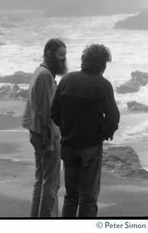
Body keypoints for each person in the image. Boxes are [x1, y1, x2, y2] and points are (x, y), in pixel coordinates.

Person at [51, 44, 120, 218]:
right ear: (103, 64)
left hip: (68, 145)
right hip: (90, 145)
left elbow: (54, 112)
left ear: (84, 60)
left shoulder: (67, 79)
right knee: (88, 198)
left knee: (71, 196)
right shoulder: (103, 84)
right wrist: (104, 133)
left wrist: (67, 128)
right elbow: (113, 117)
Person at [22, 38, 67, 217]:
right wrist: (47, 141)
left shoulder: (39, 71)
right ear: (49, 54)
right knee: (51, 183)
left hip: (38, 133)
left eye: (65, 55)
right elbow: (45, 111)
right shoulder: (45, 75)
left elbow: (37, 108)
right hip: (47, 135)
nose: (64, 59)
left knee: (41, 181)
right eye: (60, 54)